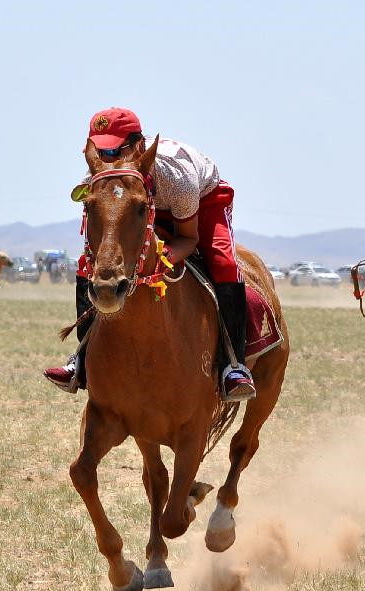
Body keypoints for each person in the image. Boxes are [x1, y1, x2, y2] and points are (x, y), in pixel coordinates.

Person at [43, 107, 255, 402]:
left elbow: (188, 238)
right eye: (101, 152)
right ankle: (81, 361)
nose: (108, 159)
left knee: (223, 262)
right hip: (136, 205)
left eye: (116, 150)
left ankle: (234, 366)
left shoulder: (177, 181)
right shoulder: (101, 177)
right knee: (85, 265)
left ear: (139, 146)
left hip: (202, 200)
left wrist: (159, 257)